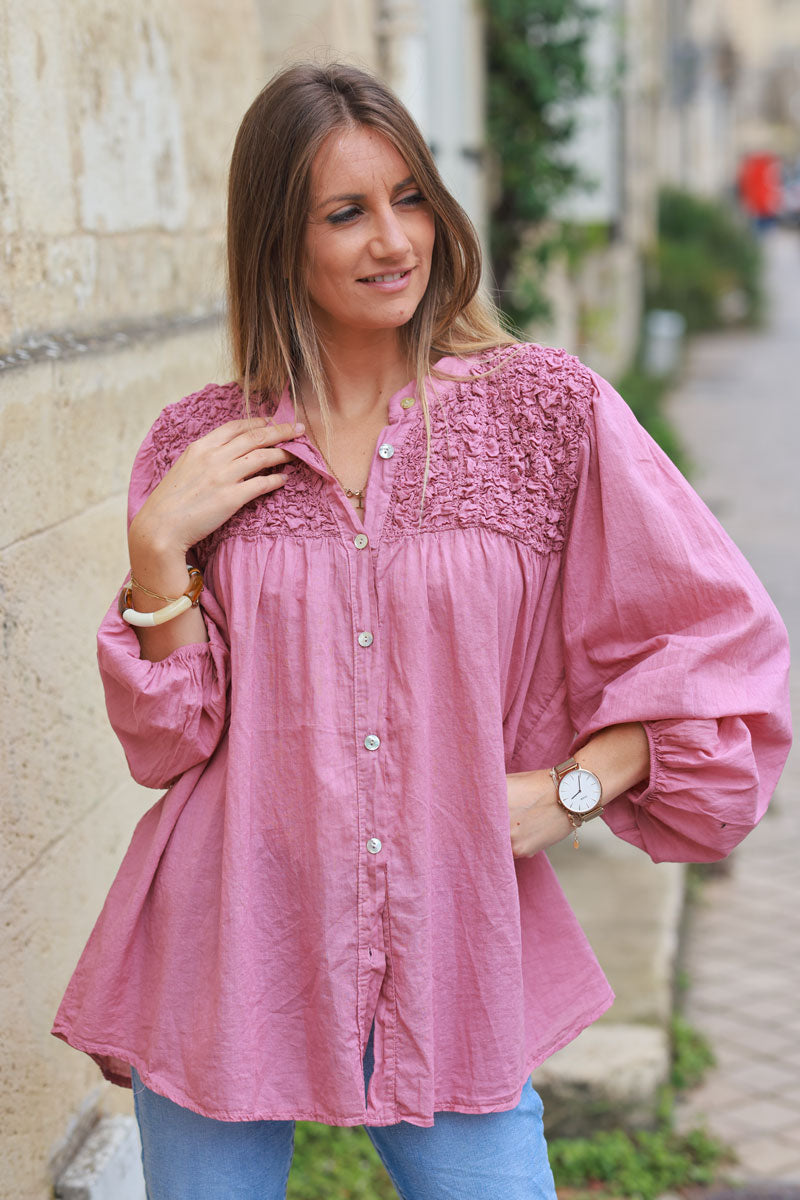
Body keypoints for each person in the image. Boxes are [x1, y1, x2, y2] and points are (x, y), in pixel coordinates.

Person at [52, 62, 792, 1199]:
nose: (393, 240)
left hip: (450, 945)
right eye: (345, 213)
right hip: (224, 947)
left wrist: (573, 789)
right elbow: (168, 745)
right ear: (277, 242)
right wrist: (158, 554)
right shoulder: (200, 445)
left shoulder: (543, 413)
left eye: (409, 198)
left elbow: (717, 648)